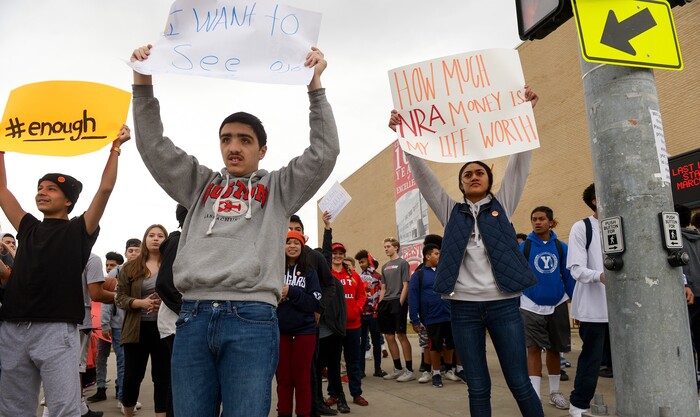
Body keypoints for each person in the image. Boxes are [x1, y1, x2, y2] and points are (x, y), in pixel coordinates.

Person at [130, 43, 339, 417]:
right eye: (226, 139)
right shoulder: (199, 184)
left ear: (262, 150)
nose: (234, 147)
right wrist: (142, 79)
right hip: (192, 317)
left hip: (252, 318)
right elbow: (154, 147)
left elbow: (323, 153)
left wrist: (315, 87)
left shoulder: (278, 188)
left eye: (245, 140)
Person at [389, 85, 544, 417]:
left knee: (519, 382)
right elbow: (424, 178)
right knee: (478, 386)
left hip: (504, 307)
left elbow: (520, 166)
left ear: (489, 179)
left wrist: (526, 114)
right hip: (464, 310)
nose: (473, 177)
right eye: (467, 175)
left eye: (479, 173)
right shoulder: (450, 211)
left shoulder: (503, 206)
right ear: (460, 184)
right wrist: (405, 138)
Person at [0, 125, 130, 416]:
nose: (41, 192)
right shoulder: (28, 227)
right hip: (13, 326)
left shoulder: (79, 230)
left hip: (57, 330)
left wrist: (116, 149)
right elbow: (1, 190)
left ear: (68, 200)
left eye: (51, 189)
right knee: (12, 408)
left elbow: (105, 189)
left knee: (63, 408)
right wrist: (1, 148)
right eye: (40, 188)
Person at [519, 206, 575, 410]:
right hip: (530, 305)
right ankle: (534, 398)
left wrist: (575, 301)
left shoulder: (561, 247)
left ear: (551, 222)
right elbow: (516, 277)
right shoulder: (524, 247)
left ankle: (554, 392)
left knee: (554, 349)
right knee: (533, 349)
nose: (537, 222)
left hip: (558, 303)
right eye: (534, 219)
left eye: (542, 219)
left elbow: (568, 276)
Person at [289, 214, 345, 417]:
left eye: (298, 229)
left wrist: (319, 309)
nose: (293, 233)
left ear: (304, 235)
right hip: (283, 326)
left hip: (307, 325)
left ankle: (314, 405)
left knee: (311, 369)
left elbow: (329, 284)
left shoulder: (314, 257)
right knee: (286, 374)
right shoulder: (278, 256)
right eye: (289, 229)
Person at [115, 225, 171, 417]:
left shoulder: (171, 265)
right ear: (145, 239)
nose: (156, 239)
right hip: (136, 328)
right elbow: (119, 297)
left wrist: (163, 304)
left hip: (164, 328)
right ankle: (128, 412)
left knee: (162, 376)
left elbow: (181, 293)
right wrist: (140, 302)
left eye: (160, 236)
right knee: (132, 376)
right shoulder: (130, 267)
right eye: (152, 235)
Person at [567, 184, 607, 417]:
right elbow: (576, 269)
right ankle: (578, 405)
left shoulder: (627, 222)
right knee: (591, 360)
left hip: (626, 309)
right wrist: (600, 275)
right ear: (594, 201)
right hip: (594, 310)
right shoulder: (582, 228)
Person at [276, 230, 322, 417]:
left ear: (302, 247)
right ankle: (284, 413)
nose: (292, 246)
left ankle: (304, 413)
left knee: (302, 378)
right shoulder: (275, 270)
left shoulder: (310, 272)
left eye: (296, 242)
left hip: (305, 330)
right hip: (280, 331)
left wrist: (292, 292)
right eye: (288, 242)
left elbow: (315, 302)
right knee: (284, 379)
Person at [408, 244, 459, 388]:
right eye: (437, 254)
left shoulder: (444, 272)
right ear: (427, 256)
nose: (439, 256)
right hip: (431, 317)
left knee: (450, 345)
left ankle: (449, 370)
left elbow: (453, 291)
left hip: (448, 315)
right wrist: (415, 319)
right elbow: (412, 298)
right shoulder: (419, 274)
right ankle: (436, 373)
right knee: (435, 347)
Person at [101, 238, 142, 408]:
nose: (133, 253)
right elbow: (107, 299)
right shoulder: (115, 273)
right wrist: (105, 323)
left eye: (137, 250)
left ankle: (127, 396)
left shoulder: (145, 269)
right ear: (125, 253)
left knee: (134, 364)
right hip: (119, 324)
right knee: (123, 361)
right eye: (130, 250)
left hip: (139, 323)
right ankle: (123, 399)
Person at [88, 251, 125, 403]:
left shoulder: (122, 277)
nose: (109, 268)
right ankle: (101, 388)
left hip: (118, 326)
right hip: (105, 327)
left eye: (112, 265)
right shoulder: (101, 280)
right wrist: (103, 324)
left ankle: (120, 388)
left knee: (121, 358)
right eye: (107, 265)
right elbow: (103, 303)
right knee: (101, 356)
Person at [377, 237, 413, 382]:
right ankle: (398, 368)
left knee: (401, 335)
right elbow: (383, 288)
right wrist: (379, 305)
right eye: (384, 247)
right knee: (389, 336)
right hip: (385, 303)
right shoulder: (384, 266)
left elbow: (406, 285)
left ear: (396, 247)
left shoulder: (403, 263)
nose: (386, 249)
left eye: (388, 246)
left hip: (398, 302)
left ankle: (409, 370)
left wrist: (400, 303)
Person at [677, 204, 700, 386]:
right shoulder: (698, 238)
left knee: (688, 340)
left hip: (688, 296)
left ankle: (691, 380)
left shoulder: (675, 242)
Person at [354, 249, 386, 378]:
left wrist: (378, 309)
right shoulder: (358, 277)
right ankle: (361, 370)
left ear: (369, 261)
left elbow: (382, 294)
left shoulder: (378, 277)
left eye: (363, 261)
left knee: (377, 342)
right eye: (359, 263)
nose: (361, 264)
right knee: (361, 343)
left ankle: (377, 369)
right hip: (362, 315)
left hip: (374, 314)